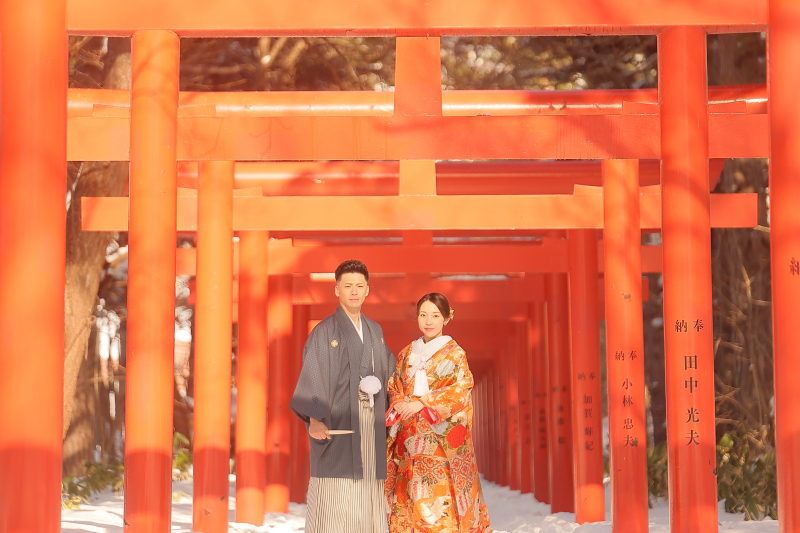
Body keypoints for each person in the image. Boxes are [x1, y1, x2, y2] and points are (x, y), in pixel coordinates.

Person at [290, 260, 394, 533]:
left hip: (370, 429)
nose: (354, 291)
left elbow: (391, 373)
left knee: (367, 505)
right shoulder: (325, 331)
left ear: (368, 290)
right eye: (347, 286)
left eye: (359, 286)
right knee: (333, 505)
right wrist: (315, 419)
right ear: (337, 289)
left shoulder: (375, 331)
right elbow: (314, 373)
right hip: (337, 429)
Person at [385, 293, 492, 533]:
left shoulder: (455, 354)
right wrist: (399, 401)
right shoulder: (406, 353)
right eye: (423, 315)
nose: (428, 321)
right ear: (417, 317)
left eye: (435, 315)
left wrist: (424, 403)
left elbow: (461, 389)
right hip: (409, 440)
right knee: (408, 496)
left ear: (446, 318)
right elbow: (394, 385)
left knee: (439, 499)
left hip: (438, 442)